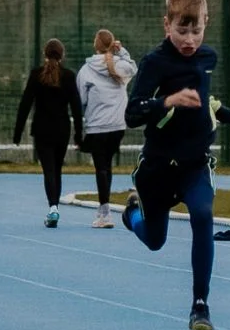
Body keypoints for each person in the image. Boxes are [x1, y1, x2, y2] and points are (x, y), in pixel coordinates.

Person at [121, 0, 230, 330]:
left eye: (195, 30)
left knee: (203, 215)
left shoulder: (208, 58)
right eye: (181, 30)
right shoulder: (154, 62)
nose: (189, 40)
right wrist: (166, 101)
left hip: (195, 164)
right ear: (166, 25)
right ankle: (132, 216)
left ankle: (200, 305)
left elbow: (206, 102)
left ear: (206, 24)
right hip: (157, 167)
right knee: (155, 241)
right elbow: (132, 113)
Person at [13, 38, 84, 226]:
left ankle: (52, 207)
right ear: (62, 55)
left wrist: (18, 132)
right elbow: (76, 108)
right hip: (61, 129)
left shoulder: (36, 75)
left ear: (45, 54)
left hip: (42, 129)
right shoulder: (68, 76)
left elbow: (25, 104)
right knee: (57, 169)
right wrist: (79, 134)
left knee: (49, 170)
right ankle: (55, 208)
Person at [75, 29, 137, 227]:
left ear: (96, 44)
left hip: (97, 126)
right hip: (118, 125)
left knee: (101, 168)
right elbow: (133, 68)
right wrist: (122, 52)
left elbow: (81, 100)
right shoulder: (119, 65)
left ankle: (104, 213)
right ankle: (104, 211)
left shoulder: (86, 70)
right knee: (107, 165)